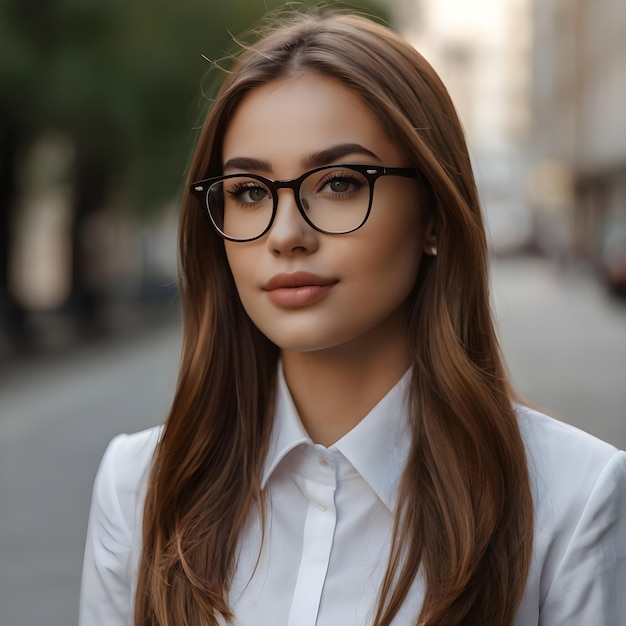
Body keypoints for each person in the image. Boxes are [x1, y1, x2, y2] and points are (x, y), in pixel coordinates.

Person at [79, 10, 626, 626]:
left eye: (339, 183)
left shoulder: (572, 499)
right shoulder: (139, 489)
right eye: (250, 192)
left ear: (435, 216)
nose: (287, 235)